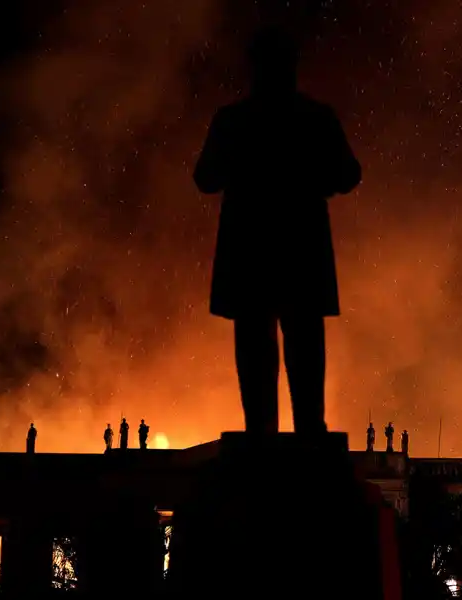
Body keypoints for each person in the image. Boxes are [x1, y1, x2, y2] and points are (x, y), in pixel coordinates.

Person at [193, 27, 362, 436]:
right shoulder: (316, 119)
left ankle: (260, 432)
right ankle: (309, 429)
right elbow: (348, 174)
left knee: (254, 346)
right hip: (301, 252)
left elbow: (205, 177)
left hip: (249, 253)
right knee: (304, 344)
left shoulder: (232, 121)